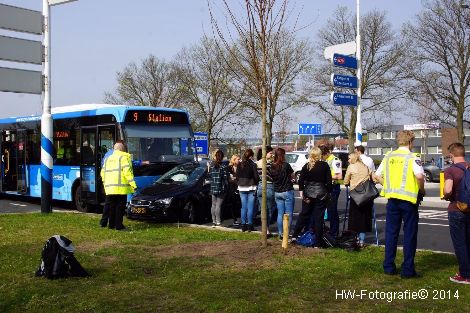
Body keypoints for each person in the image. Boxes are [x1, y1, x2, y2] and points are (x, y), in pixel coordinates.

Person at [374, 130, 425, 278]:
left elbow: (376, 176)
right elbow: (420, 176)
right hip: (409, 201)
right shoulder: (412, 157)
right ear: (410, 142)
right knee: (409, 234)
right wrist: (422, 190)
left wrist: (387, 186)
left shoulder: (388, 156)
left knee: (391, 233)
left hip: (392, 200)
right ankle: (408, 270)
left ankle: (389, 266)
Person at [292, 147, 332, 247]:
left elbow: (300, 180)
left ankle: (294, 235)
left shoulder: (307, 166)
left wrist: (301, 191)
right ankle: (317, 243)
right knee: (318, 218)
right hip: (321, 193)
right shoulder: (324, 165)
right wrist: (328, 192)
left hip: (308, 193)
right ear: (319, 155)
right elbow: (329, 182)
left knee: (304, 215)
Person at [443, 142, 470, 284]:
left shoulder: (451, 170)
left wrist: (445, 194)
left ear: (452, 155)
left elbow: (448, 190)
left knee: (460, 243)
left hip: (457, 209)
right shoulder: (469, 167)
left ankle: (465, 275)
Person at [100, 141, 137, 231]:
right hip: (120, 188)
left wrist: (106, 184)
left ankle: (111, 225)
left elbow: (102, 173)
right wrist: (133, 185)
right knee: (120, 207)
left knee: (112, 207)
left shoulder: (108, 158)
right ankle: (119, 226)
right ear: (122, 149)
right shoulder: (124, 157)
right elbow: (127, 172)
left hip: (110, 187)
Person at [344, 152, 374, 248]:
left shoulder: (351, 167)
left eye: (349, 158)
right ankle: (362, 240)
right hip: (367, 195)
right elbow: (373, 178)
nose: (348, 160)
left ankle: (354, 239)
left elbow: (345, 181)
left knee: (354, 218)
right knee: (364, 218)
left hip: (356, 195)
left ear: (353, 158)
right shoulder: (365, 166)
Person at [271, 148, 295, 240]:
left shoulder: (272, 166)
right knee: (288, 214)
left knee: (280, 214)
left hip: (277, 192)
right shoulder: (286, 165)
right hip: (287, 191)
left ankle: (280, 234)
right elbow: (292, 176)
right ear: (282, 155)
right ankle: (286, 234)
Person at [319, 144, 342, 238]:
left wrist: (326, 177)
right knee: (325, 210)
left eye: (322, 156)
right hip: (326, 187)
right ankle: (327, 231)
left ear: (326, 153)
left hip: (333, 188)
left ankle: (334, 232)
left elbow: (339, 176)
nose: (321, 158)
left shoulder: (335, 160)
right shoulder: (326, 160)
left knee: (332, 211)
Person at [236, 149, 259, 232]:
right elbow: (256, 176)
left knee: (243, 207)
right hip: (251, 186)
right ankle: (250, 225)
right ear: (251, 156)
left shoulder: (240, 164)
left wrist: (238, 183)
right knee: (250, 207)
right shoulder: (252, 164)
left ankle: (243, 225)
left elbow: (237, 176)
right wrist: (257, 182)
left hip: (241, 187)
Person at [256, 146, 275, 235]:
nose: (272, 155)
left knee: (263, 210)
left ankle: (264, 229)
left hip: (260, 186)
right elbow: (272, 177)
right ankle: (266, 229)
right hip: (269, 187)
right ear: (265, 153)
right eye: (270, 153)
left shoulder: (256, 163)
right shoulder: (269, 164)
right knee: (269, 210)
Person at [208, 150, 228, 227]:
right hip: (221, 188)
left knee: (213, 205)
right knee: (218, 205)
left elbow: (209, 176)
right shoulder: (223, 167)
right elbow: (225, 179)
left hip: (213, 188)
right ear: (222, 157)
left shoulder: (212, 166)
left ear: (216, 156)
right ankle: (218, 221)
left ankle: (213, 221)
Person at [227, 154, 241, 225]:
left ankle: (238, 218)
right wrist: (235, 178)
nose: (239, 160)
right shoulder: (229, 167)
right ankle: (234, 219)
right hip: (232, 187)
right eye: (238, 159)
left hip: (239, 187)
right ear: (234, 160)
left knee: (238, 203)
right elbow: (230, 178)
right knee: (233, 203)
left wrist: (235, 178)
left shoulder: (240, 167)